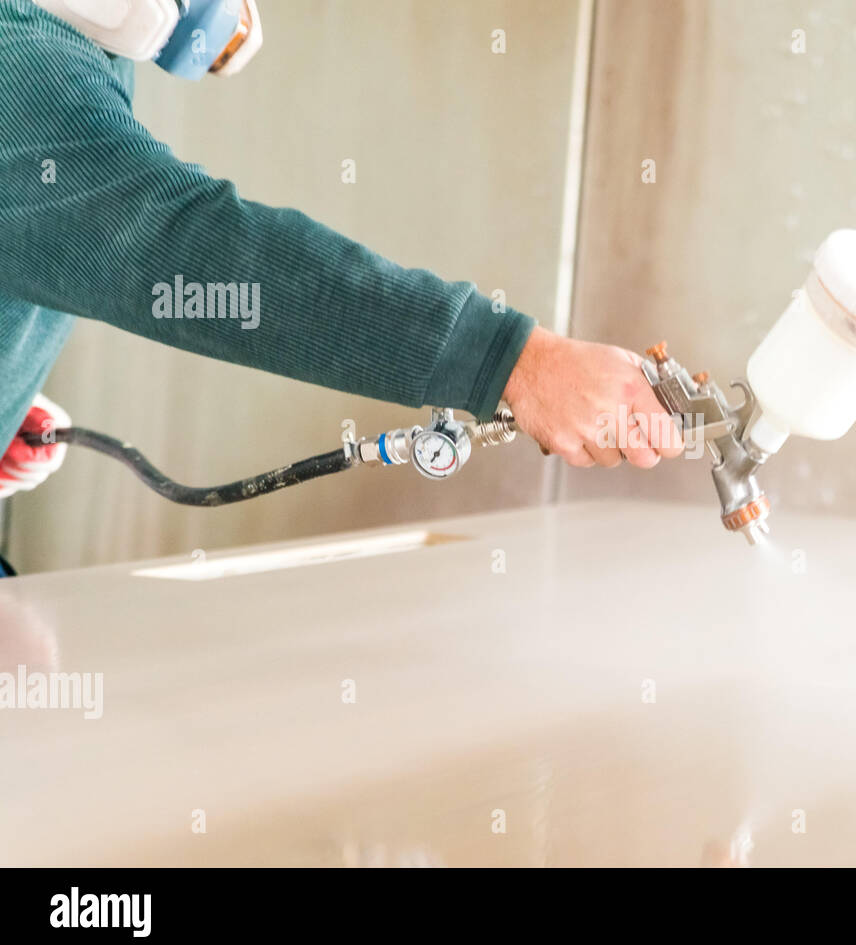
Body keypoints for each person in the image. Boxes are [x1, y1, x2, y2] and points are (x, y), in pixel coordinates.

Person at [0, 0, 682, 568]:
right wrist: (511, 362)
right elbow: (189, 249)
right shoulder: (22, 65)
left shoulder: (70, 44)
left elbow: (48, 221)